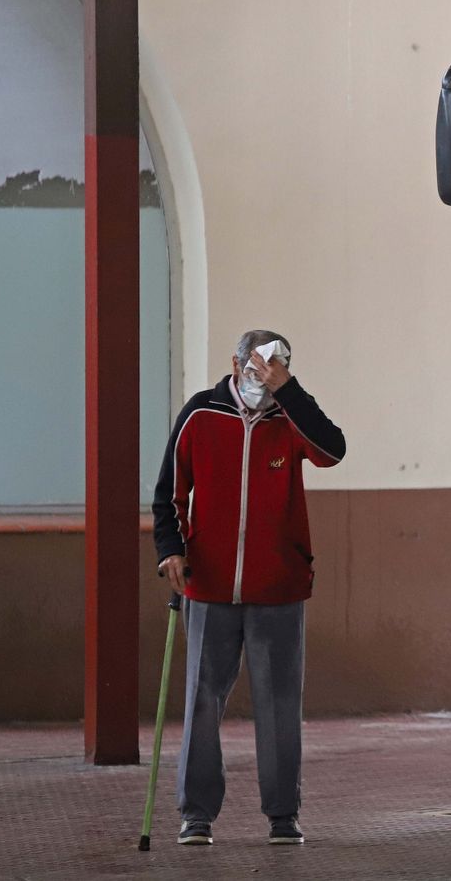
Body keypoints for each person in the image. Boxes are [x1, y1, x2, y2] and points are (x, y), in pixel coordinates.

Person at [151, 330, 346, 846]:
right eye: (260, 366)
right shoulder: (201, 414)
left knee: (280, 703)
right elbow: (169, 493)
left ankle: (283, 816)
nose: (266, 376)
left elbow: (333, 451)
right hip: (209, 587)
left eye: (277, 366)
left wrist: (290, 390)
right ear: (236, 366)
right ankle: (196, 815)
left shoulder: (291, 419)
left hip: (278, 588)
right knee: (200, 701)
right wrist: (171, 549)